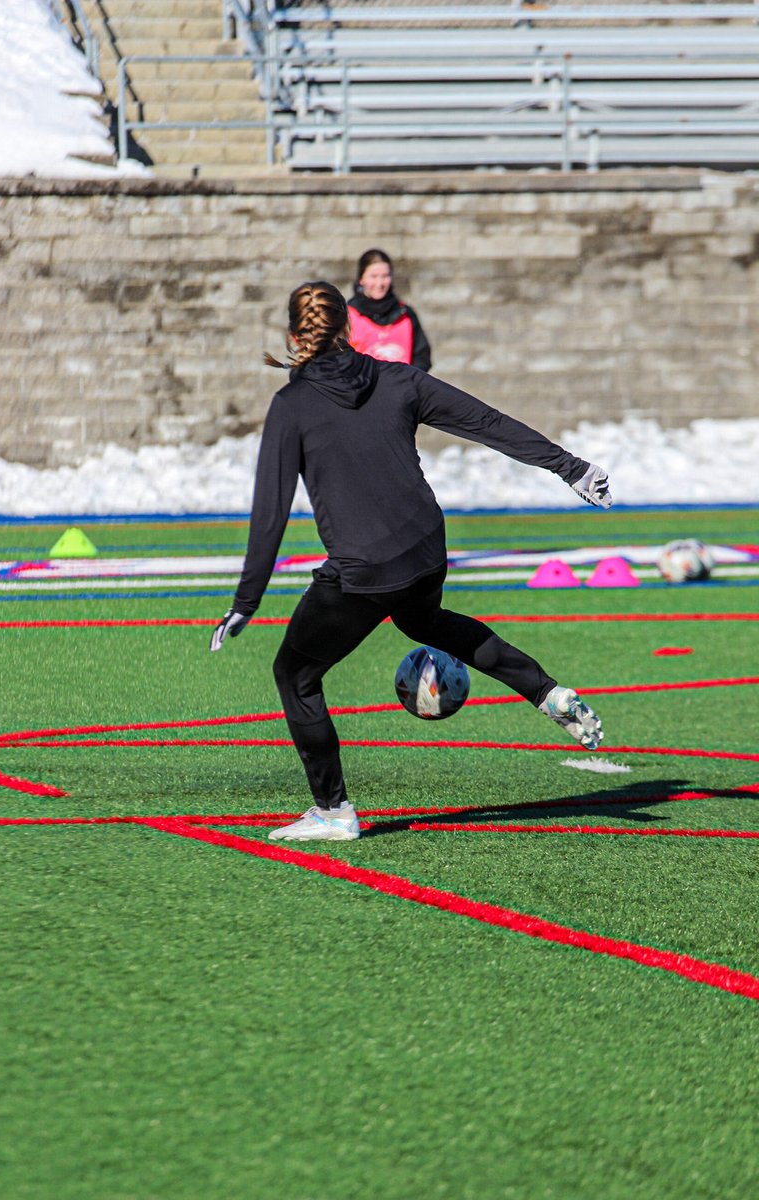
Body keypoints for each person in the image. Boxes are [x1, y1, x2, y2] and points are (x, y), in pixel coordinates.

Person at [210, 281, 612, 843]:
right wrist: (568, 467)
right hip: (425, 549)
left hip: (366, 569)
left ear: (293, 336)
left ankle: (332, 812)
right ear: (348, 329)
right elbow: (487, 422)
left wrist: (246, 600)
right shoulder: (398, 380)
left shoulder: (291, 406)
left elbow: (270, 509)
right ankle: (544, 691)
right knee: (423, 620)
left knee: (295, 674)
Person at [347, 248, 432, 371]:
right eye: (374, 276)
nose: (380, 283)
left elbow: (422, 356)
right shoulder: (347, 315)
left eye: (385, 276)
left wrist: (409, 381)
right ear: (361, 279)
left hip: (402, 387)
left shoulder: (406, 314)